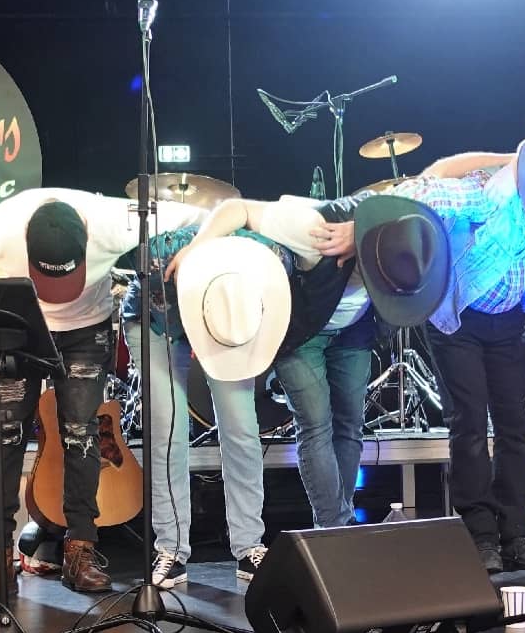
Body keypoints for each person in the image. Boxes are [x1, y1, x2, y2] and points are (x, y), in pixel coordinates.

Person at [0, 187, 204, 601]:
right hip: (18, 325)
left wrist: (193, 249)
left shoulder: (112, 220)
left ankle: (81, 549)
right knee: (5, 436)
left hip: (86, 330)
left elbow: (200, 215)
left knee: (84, 434)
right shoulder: (1, 227)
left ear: (87, 240)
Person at [379, 133, 525, 573]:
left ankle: (518, 534)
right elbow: (418, 188)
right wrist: (509, 158)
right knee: (470, 427)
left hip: (509, 321)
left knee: (516, 429)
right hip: (459, 318)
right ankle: (479, 536)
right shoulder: (485, 195)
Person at [166, 192, 447, 530]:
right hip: (300, 331)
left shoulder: (408, 238)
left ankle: (338, 526)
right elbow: (237, 207)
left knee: (350, 426)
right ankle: (334, 528)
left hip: (354, 329)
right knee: (316, 425)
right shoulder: (313, 228)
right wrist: (197, 247)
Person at [118, 228, 293, 588]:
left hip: (226, 321)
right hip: (157, 320)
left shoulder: (267, 256)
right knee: (168, 428)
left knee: (242, 427)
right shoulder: (162, 253)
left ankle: (249, 545)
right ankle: (171, 549)